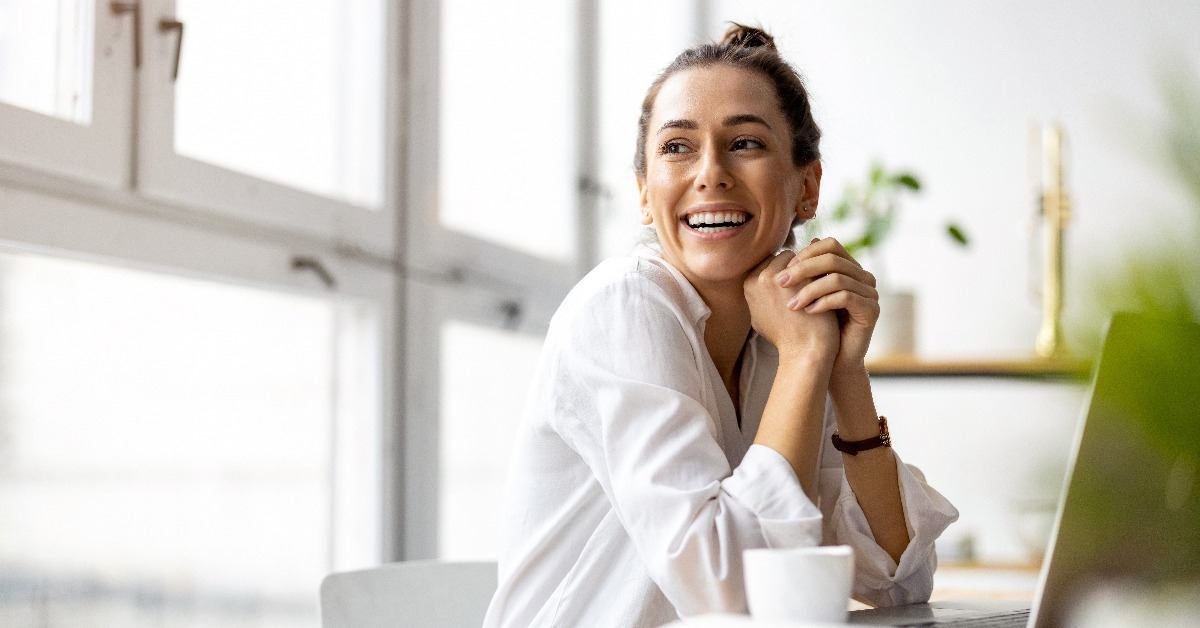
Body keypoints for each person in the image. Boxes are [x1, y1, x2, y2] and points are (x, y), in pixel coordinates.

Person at [482, 23, 958, 627]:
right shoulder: (626, 307)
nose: (711, 173)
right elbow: (725, 593)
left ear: (806, 187)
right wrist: (806, 361)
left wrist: (843, 371)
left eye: (746, 144)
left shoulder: (785, 333)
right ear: (645, 195)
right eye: (677, 147)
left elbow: (899, 581)